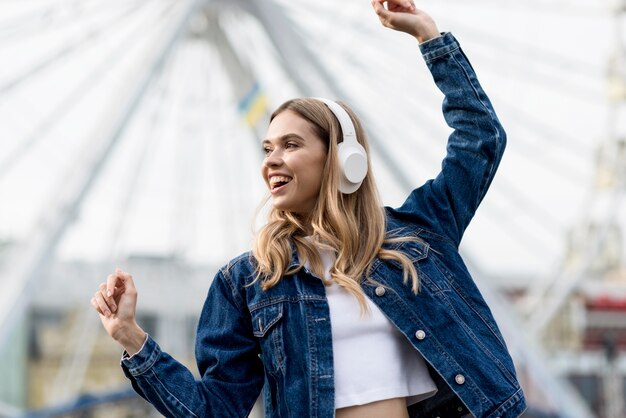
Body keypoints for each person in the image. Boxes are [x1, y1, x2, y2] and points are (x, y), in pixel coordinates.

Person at [91, 1, 527, 417]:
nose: (271, 160)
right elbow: (216, 410)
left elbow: (481, 138)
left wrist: (428, 37)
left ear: (343, 159)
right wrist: (131, 337)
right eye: (267, 148)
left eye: (291, 145)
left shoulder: (419, 235)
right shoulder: (246, 283)